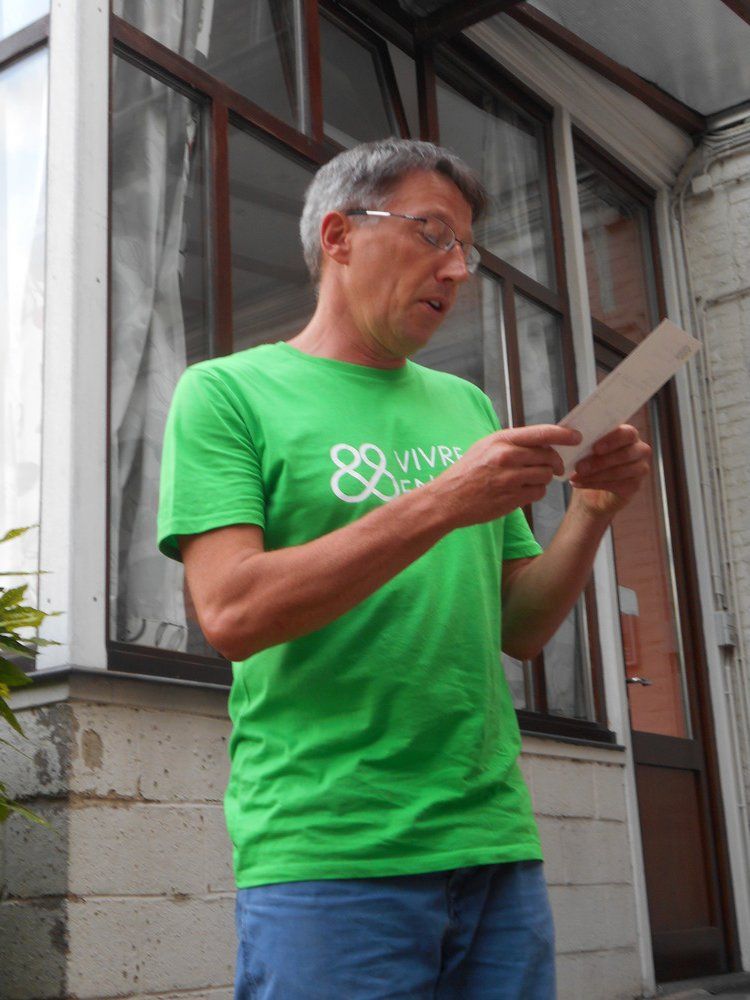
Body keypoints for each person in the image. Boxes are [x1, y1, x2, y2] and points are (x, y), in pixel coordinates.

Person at [157, 138, 651, 999]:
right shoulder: (227, 393)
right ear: (339, 236)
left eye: (465, 250)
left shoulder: (465, 405)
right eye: (433, 233)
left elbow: (521, 627)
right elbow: (232, 612)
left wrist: (591, 513)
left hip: (494, 842)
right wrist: (444, 500)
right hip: (332, 853)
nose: (456, 270)